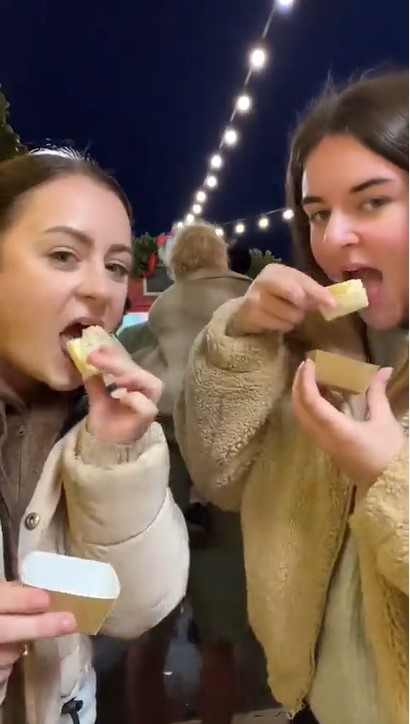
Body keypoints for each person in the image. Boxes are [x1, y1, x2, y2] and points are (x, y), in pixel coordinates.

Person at [175, 70, 409, 724]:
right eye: (317, 214)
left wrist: (389, 477)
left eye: (371, 202)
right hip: (308, 702)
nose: (333, 241)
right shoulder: (307, 343)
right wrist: (243, 339)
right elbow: (219, 474)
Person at [0, 149, 189, 724]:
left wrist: (116, 454)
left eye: (114, 266)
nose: (100, 291)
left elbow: (135, 612)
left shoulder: (86, 422)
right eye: (63, 255)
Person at [125, 222, 252, 724]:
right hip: (229, 478)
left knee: (149, 634)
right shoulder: (249, 314)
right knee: (222, 640)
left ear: (175, 264)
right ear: (222, 258)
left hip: (160, 480)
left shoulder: (149, 324)